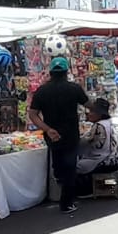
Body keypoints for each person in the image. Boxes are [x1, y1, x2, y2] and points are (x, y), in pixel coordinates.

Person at [28, 57, 89, 214]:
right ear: (66, 72)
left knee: (58, 165)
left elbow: (33, 115)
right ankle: (66, 202)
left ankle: (61, 192)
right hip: (70, 135)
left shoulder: (42, 91)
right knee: (70, 167)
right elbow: (89, 105)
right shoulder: (74, 88)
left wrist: (47, 129)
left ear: (50, 73)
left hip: (52, 135)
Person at [77, 99, 118, 174]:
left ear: (99, 114)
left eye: (92, 111)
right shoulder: (109, 123)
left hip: (102, 161)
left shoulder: (99, 125)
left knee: (71, 167)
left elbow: (84, 143)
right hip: (114, 160)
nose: (89, 114)